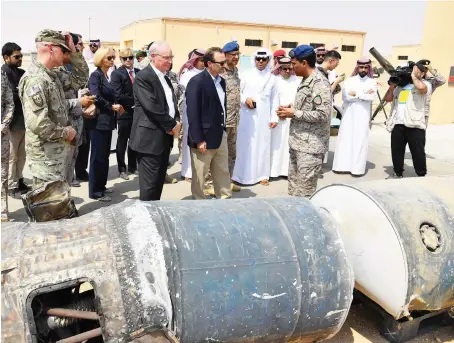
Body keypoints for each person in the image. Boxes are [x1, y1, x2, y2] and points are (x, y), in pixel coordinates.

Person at [18, 30, 93, 190]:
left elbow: (81, 79)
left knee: (60, 205)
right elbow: (39, 124)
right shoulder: (36, 79)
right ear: (51, 48)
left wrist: (74, 50)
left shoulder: (52, 75)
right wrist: (66, 133)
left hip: (58, 154)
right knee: (50, 209)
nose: (67, 54)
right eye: (64, 49)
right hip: (46, 158)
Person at [276, 45, 331, 197]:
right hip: (298, 143)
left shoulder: (319, 83)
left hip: (310, 147)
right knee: (294, 189)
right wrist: (291, 109)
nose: (292, 68)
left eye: (294, 64)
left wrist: (295, 113)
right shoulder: (306, 79)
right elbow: (307, 106)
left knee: (304, 192)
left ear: (305, 63)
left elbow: (323, 114)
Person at [129, 41, 181, 201]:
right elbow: (152, 107)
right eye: (166, 57)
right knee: (149, 187)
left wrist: (176, 120)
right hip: (149, 141)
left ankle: (154, 215)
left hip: (164, 138)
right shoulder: (144, 78)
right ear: (153, 57)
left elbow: (172, 103)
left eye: (171, 57)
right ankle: (146, 220)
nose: (170, 61)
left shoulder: (164, 78)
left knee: (158, 184)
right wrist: (172, 125)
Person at [186, 47, 232, 200]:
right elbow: (192, 113)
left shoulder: (222, 82)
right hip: (203, 139)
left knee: (222, 172)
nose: (224, 65)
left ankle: (224, 200)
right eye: (221, 62)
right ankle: (199, 204)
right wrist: (198, 139)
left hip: (220, 135)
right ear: (209, 64)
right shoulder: (196, 82)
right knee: (200, 175)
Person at [232, 48, 279, 186]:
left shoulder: (273, 78)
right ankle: (239, 176)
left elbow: (275, 99)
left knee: (263, 146)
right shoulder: (245, 75)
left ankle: (262, 175)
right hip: (247, 116)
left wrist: (274, 118)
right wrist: (245, 99)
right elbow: (237, 93)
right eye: (258, 59)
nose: (260, 61)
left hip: (264, 118)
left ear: (268, 60)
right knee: (245, 145)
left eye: (263, 59)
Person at [87, 47, 124, 201]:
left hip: (107, 122)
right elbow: (95, 96)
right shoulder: (95, 76)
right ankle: (95, 192)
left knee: (104, 156)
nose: (112, 60)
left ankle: (101, 186)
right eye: (109, 58)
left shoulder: (105, 76)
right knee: (97, 157)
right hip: (99, 123)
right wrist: (111, 106)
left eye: (113, 57)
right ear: (101, 59)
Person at [384, 61, 432, 178]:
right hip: (398, 123)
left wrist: (413, 76)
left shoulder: (426, 84)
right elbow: (388, 99)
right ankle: (397, 172)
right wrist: (392, 86)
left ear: (421, 73)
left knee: (418, 152)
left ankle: (421, 175)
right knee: (396, 151)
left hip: (415, 124)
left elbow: (421, 88)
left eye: (418, 72)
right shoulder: (400, 86)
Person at [54, 33, 90, 188]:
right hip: (62, 126)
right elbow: (54, 104)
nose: (79, 48)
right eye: (77, 45)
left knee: (71, 164)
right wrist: (78, 102)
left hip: (76, 122)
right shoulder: (54, 70)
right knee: (59, 171)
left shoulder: (70, 65)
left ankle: (65, 200)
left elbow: (83, 75)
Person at [332, 58, 377, 176]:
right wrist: (364, 93)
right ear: (357, 68)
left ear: (369, 68)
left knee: (360, 141)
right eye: (361, 67)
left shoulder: (372, 82)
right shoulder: (349, 80)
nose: (363, 69)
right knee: (345, 139)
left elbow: (371, 97)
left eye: (366, 67)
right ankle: (341, 166)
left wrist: (356, 94)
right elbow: (346, 97)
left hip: (363, 116)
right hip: (348, 116)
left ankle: (357, 169)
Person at [1, 42, 31, 195]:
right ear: (6, 57)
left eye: (21, 56)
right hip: (11, 123)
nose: (20, 59)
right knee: (12, 156)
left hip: (23, 121)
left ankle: (19, 180)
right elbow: (11, 97)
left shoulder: (21, 73)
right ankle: (11, 185)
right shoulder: (3, 74)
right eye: (16, 56)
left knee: (21, 155)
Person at [111, 48, 139, 180]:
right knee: (122, 141)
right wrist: (136, 101)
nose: (128, 60)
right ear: (121, 60)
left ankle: (133, 166)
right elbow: (117, 94)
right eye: (125, 58)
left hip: (137, 113)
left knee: (134, 140)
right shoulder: (117, 74)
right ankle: (122, 169)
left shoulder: (138, 72)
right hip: (124, 112)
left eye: (130, 57)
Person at [178, 48, 206, 182]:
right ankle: (188, 171)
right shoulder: (187, 75)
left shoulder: (208, 74)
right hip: (191, 113)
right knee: (190, 140)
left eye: (204, 60)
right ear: (194, 60)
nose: (202, 63)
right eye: (200, 60)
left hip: (205, 114)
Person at [270, 57, 299, 178]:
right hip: (277, 117)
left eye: (289, 69)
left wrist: (290, 107)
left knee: (288, 145)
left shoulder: (297, 80)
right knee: (276, 146)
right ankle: (273, 171)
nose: (287, 71)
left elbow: (299, 97)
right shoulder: (274, 80)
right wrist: (278, 113)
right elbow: (272, 99)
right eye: (284, 69)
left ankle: (287, 172)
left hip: (292, 117)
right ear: (279, 69)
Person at [1, 69, 14, 222]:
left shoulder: (2, 76)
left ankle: (2, 210)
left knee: (2, 175)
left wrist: (3, 125)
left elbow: (9, 103)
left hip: (1, 135)